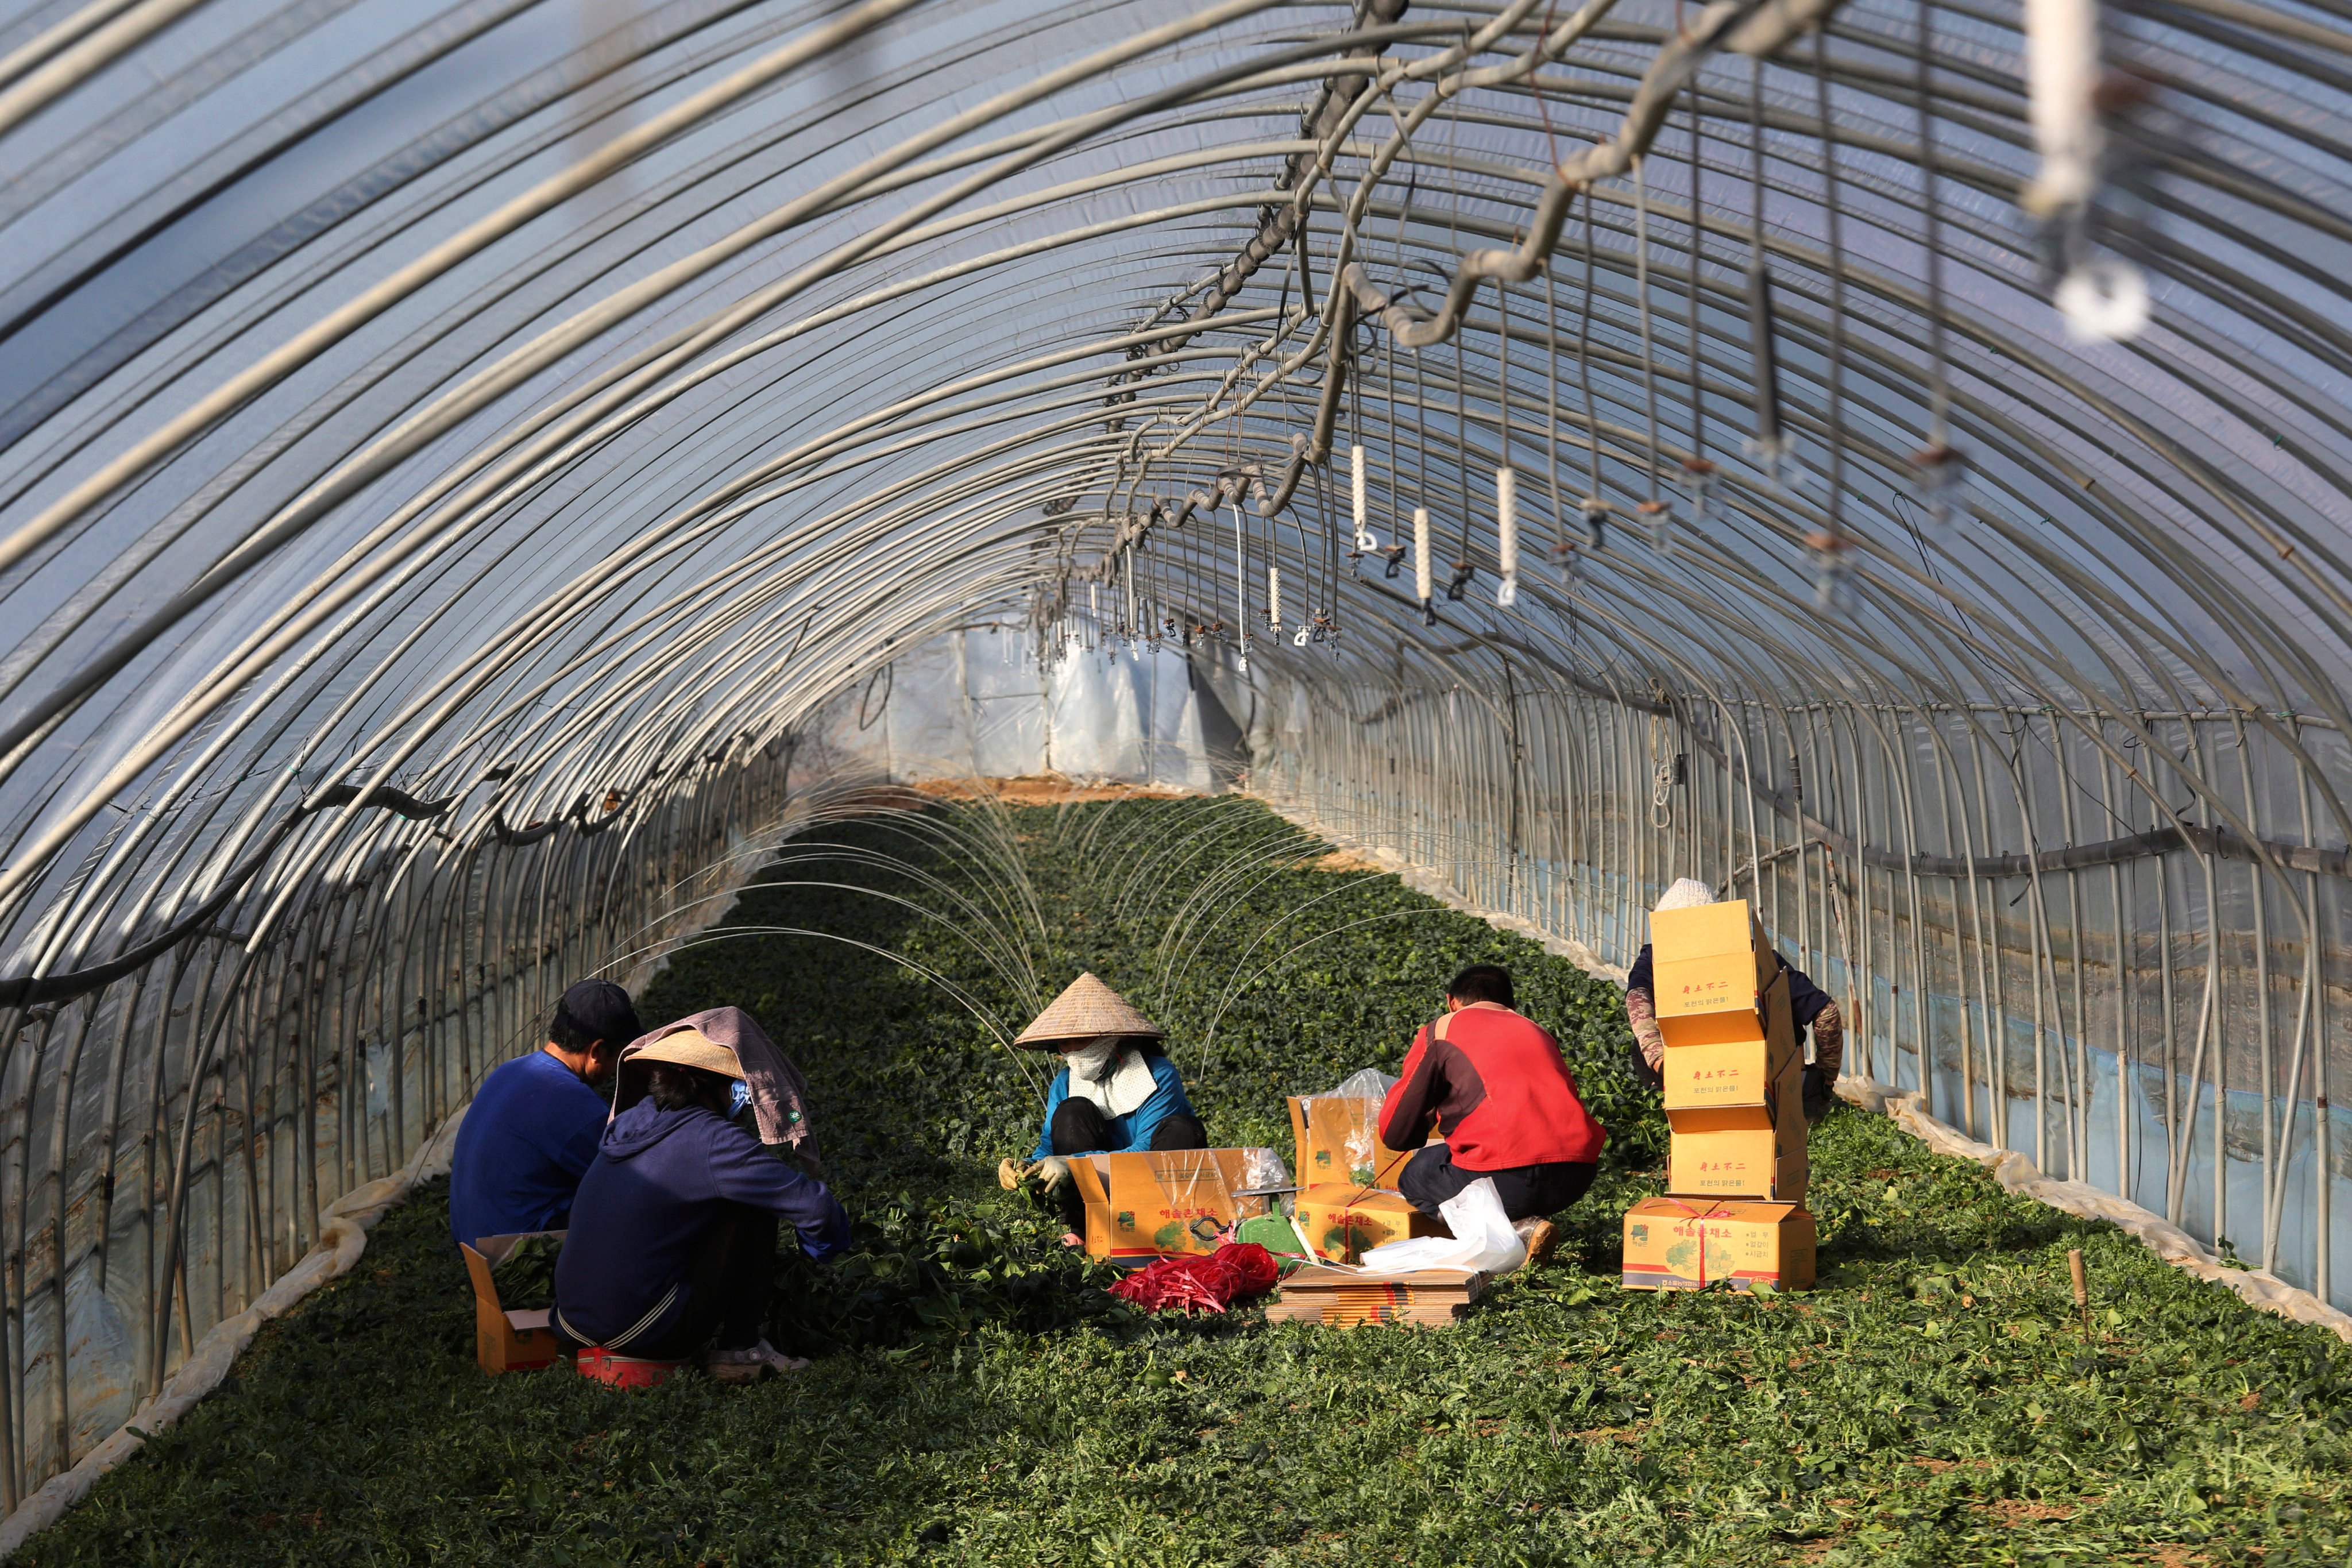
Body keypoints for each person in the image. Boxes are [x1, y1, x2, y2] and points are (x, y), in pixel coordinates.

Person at [552, 1022, 849, 1382]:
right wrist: (824, 1250)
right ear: (715, 1084)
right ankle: (742, 1349)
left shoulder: (630, 1121)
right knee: (753, 1201)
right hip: (639, 1331)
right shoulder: (714, 1140)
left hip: (569, 1323)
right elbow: (815, 1208)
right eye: (738, 1084)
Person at [1378, 964, 1607, 1266]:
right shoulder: (1537, 1030)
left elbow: (1396, 1133)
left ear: (1452, 1002)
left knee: (1418, 1173)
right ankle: (1527, 1222)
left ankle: (1510, 1234)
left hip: (1507, 1179)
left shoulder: (1443, 1028)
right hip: (1575, 1178)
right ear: (1512, 1006)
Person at [995, 972, 1206, 1237]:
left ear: (1112, 1038)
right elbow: (1051, 1144)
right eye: (1064, 1042)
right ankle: (1083, 1228)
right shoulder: (1065, 1082)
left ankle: (1162, 1227)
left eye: (1081, 1040)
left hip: (1150, 1183)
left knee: (1182, 1127)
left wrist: (1075, 1164)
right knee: (1072, 1111)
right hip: (1097, 1188)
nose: (1071, 1050)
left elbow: (1146, 1151)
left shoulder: (1158, 1074)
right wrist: (1024, 1165)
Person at [1624, 878, 1844, 1122]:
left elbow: (1637, 998)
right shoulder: (1755, 956)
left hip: (1698, 1080)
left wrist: (1659, 1060)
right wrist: (1825, 1077)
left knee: (1641, 1046)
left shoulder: (1658, 958)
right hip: (1770, 1082)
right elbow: (1826, 1012)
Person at [448, 978, 640, 1247]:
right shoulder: (578, 1107)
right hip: (519, 1264)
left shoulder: (509, 1070)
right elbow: (631, 1182)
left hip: (474, 1252)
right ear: (597, 1050)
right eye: (618, 1055)